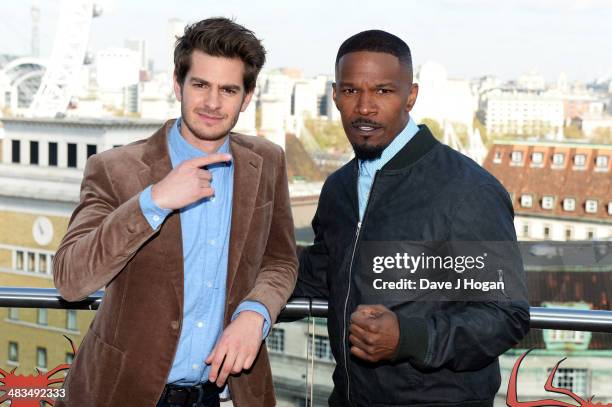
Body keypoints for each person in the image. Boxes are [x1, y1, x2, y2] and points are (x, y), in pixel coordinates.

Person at [53, 17, 297, 407]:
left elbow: (281, 260)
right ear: (176, 84)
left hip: (226, 394)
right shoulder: (116, 169)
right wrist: (153, 201)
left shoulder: (267, 161)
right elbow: (70, 279)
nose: (213, 103)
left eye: (228, 90)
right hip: (125, 393)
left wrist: (256, 313)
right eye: (200, 85)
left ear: (247, 97)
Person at [294, 30, 530, 406]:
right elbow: (320, 272)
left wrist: (409, 338)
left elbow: (506, 315)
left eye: (383, 91)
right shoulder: (339, 187)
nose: (365, 107)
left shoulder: (467, 189)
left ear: (411, 96)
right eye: (352, 91)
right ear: (335, 95)